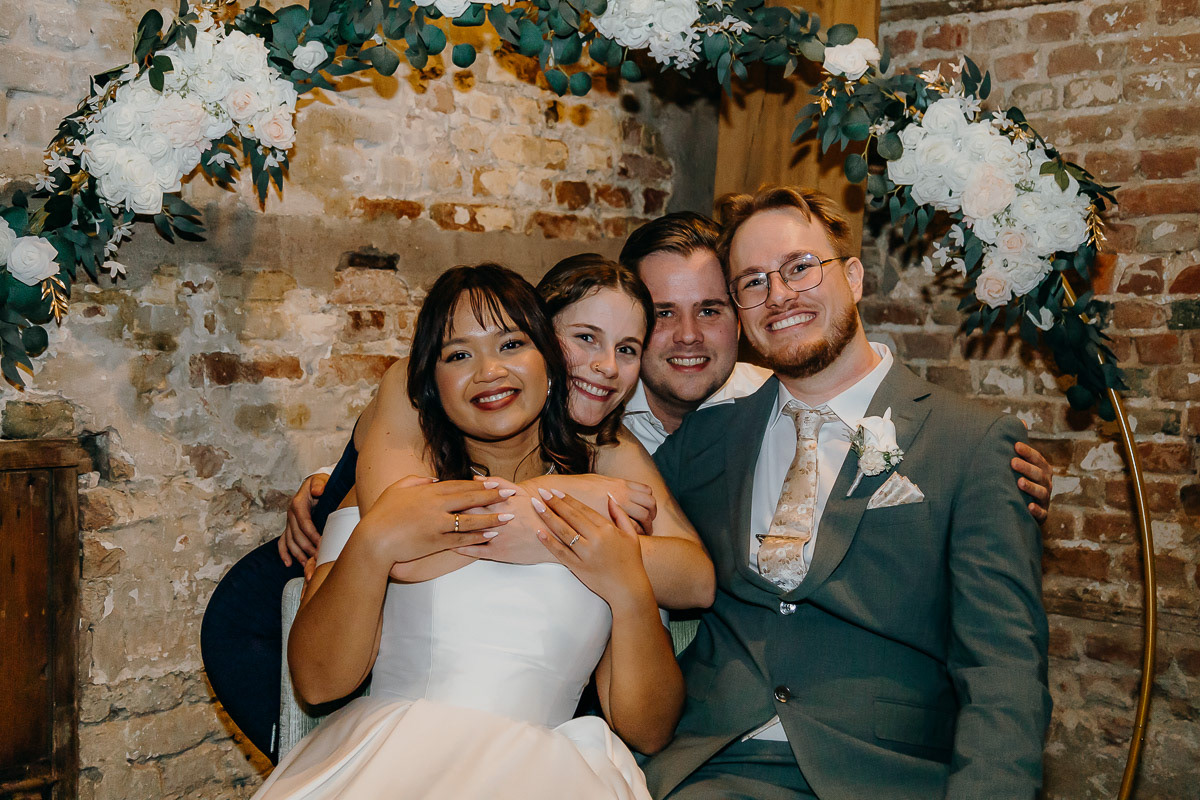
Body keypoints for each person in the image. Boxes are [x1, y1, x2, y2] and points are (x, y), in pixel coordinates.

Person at [202, 217, 1056, 760]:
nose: (610, 365)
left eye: (632, 343)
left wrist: (975, 464)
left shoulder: (670, 429)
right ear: (534, 332)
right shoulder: (438, 385)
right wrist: (347, 502)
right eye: (582, 338)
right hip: (295, 609)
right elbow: (403, 532)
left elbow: (688, 572)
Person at [642, 186, 1052, 799]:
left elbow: (1003, 671)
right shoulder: (706, 440)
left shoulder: (971, 444)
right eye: (752, 282)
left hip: (881, 777)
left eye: (800, 267)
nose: (778, 294)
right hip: (710, 767)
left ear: (854, 278)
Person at [254, 264, 693, 799]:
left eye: (510, 345)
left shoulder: (606, 511)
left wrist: (627, 587)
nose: (489, 371)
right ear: (432, 387)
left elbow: (650, 728)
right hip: (400, 762)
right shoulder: (395, 498)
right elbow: (319, 684)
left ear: (550, 364)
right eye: (458, 355)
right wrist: (373, 545)